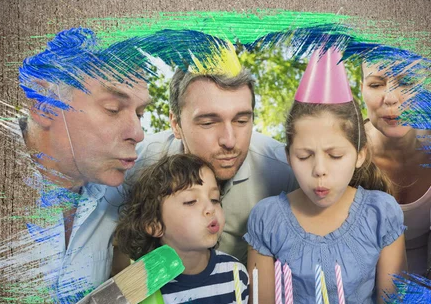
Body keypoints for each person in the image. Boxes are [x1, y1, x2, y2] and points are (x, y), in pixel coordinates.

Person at [246, 48, 407, 304]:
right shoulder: (268, 219)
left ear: (359, 155)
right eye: (304, 155)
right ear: (288, 156)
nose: (319, 170)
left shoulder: (382, 214)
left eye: (335, 155)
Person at [115, 47, 298, 269]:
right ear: (176, 124)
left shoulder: (287, 171)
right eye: (209, 123)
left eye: (241, 121)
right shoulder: (132, 164)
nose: (229, 141)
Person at [10, 28, 151, 304]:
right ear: (44, 105)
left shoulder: (119, 194)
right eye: (113, 108)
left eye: (140, 114)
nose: (138, 132)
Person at [113, 154, 249, 304]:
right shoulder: (138, 286)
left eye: (214, 199)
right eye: (191, 201)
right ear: (155, 225)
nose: (210, 209)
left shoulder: (236, 273)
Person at [361, 55, 431, 278]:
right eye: (376, 84)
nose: (391, 98)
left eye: (407, 82)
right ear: (362, 89)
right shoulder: (341, 153)